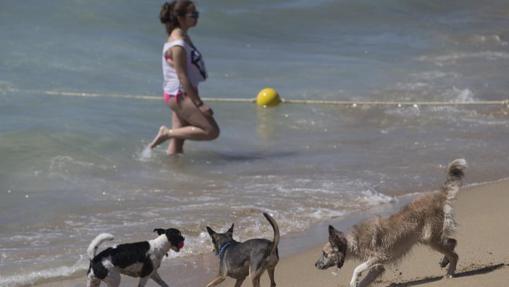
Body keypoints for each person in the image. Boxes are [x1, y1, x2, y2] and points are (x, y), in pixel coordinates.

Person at [149, 0, 219, 154]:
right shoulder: (178, 43)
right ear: (179, 17)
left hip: (181, 92)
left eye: (197, 14)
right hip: (180, 94)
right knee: (211, 131)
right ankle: (166, 133)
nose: (196, 17)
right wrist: (199, 104)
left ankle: (173, 174)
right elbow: (182, 75)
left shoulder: (181, 37)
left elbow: (179, 66)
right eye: (193, 14)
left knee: (178, 143)